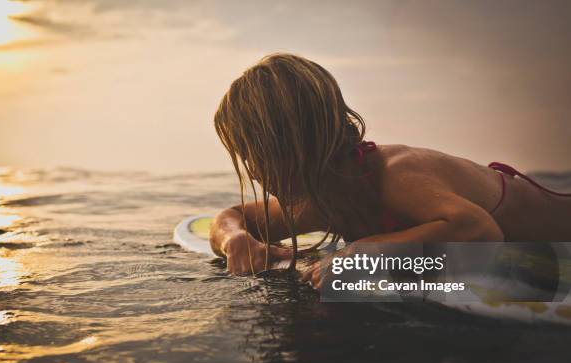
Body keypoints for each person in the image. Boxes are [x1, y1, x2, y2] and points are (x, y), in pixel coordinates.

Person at [209, 53, 571, 287]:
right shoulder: (320, 198)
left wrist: (372, 250)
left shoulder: (395, 174)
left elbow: (482, 232)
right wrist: (234, 239)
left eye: (259, 154)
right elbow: (234, 216)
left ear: (300, 143)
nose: (254, 172)